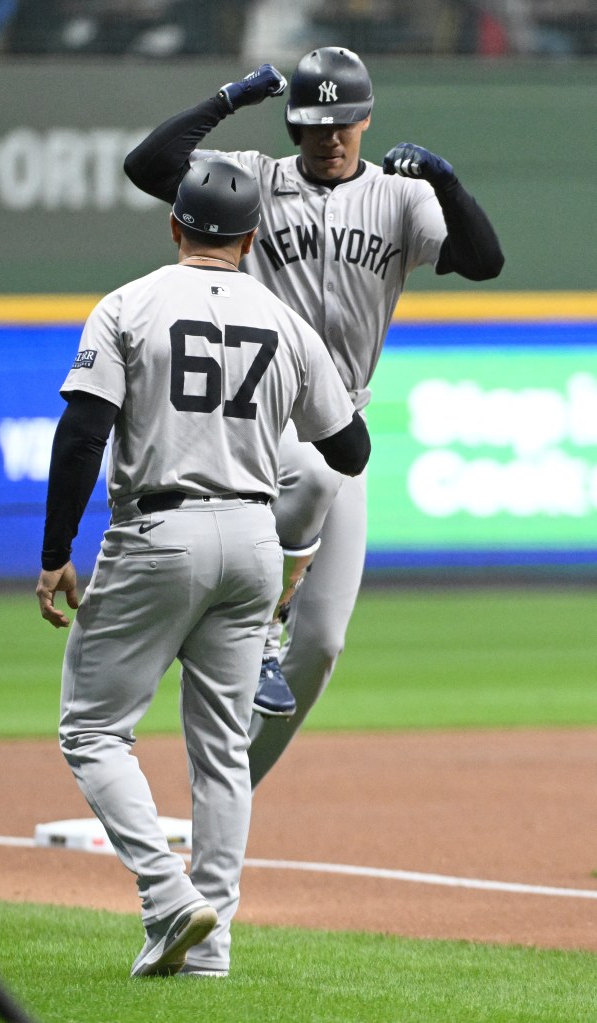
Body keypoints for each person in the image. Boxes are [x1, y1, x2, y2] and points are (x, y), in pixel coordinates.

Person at [123, 47, 504, 782]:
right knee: (227, 602)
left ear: (366, 119)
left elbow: (484, 260)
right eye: (315, 124)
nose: (330, 138)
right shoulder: (256, 180)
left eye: (343, 122)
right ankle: (238, 633)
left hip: (340, 430)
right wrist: (229, 96)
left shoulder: (401, 196)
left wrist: (449, 185)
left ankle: (232, 787)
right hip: (251, 427)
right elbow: (149, 165)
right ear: (294, 122)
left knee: (323, 642)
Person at [35, 154, 369, 978]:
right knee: (222, 750)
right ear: (251, 238)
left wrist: (53, 557)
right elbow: (350, 450)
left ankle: (167, 894)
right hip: (255, 540)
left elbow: (82, 436)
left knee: (92, 730)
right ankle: (210, 948)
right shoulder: (287, 322)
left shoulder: (130, 303)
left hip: (158, 529)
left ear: (175, 225)